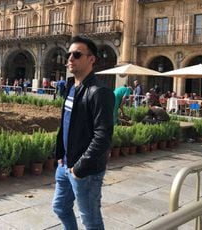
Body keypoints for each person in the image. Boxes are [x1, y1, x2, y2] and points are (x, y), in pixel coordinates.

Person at [53, 35, 115, 230]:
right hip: (65, 164)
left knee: (91, 222)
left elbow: (103, 136)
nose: (70, 58)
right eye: (69, 54)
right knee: (60, 207)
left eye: (77, 54)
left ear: (91, 59)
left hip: (85, 171)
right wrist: (60, 156)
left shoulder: (99, 92)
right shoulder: (72, 87)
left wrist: (79, 168)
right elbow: (66, 124)